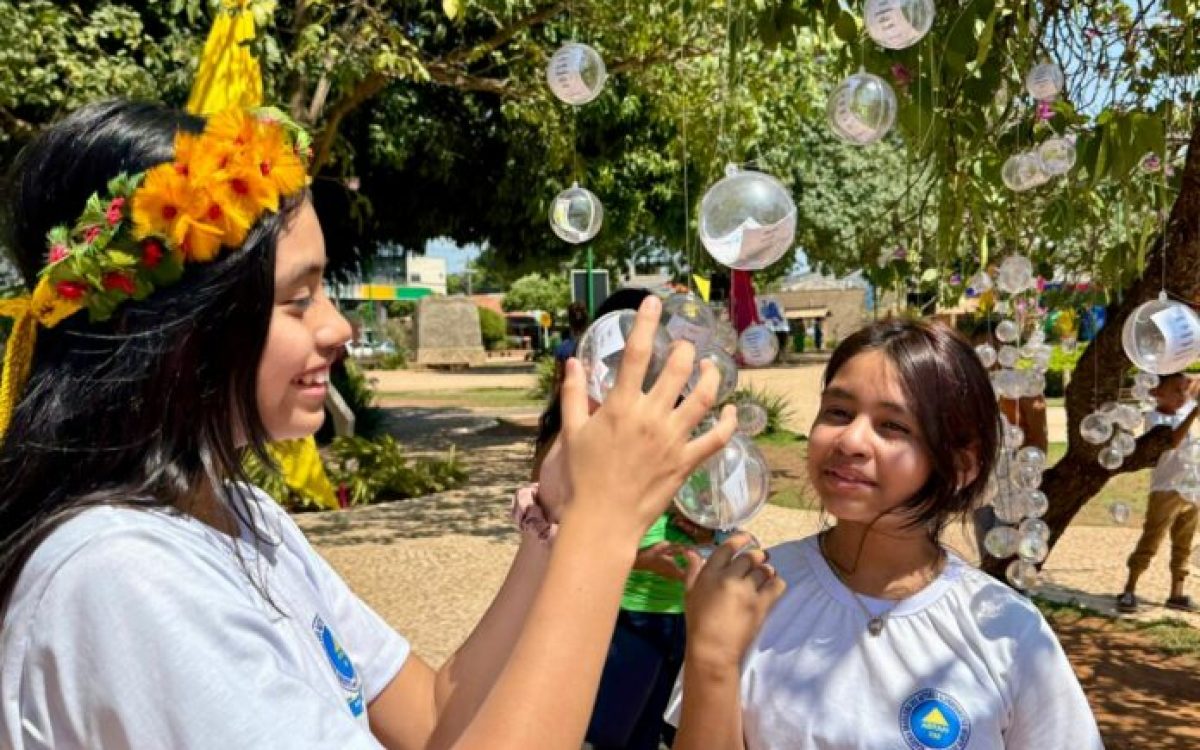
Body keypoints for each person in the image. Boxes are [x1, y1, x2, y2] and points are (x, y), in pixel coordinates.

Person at [0, 100, 780, 749]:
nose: (337, 328)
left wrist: (560, 521)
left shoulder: (243, 518)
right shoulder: (118, 579)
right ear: (179, 331)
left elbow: (436, 713)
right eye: (298, 299)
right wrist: (607, 530)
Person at [668, 318, 1102, 749]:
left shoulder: (1008, 631)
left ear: (961, 466)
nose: (851, 441)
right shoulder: (751, 594)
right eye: (838, 412)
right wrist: (712, 657)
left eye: (893, 426)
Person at [533, 288, 717, 750]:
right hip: (620, 615)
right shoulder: (581, 427)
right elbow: (556, 537)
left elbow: (704, 503)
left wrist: (703, 523)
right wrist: (638, 558)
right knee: (605, 738)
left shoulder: (677, 419)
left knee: (647, 738)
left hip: (677, 613)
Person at [1118, 373, 1200, 614]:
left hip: (1192, 490)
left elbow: (1192, 380)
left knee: (1183, 543)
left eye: (1183, 391)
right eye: (1175, 391)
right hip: (1165, 490)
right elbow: (1173, 441)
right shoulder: (1154, 418)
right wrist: (1195, 413)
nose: (1182, 396)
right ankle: (1129, 589)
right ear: (1155, 393)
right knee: (1151, 540)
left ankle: (1177, 593)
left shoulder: (1184, 412)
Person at [552, 301, 590, 395]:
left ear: (570, 322)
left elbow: (558, 377)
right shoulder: (594, 345)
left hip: (570, 396)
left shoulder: (562, 348)